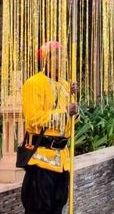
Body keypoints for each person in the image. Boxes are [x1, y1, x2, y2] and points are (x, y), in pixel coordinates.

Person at [21, 41, 79, 214]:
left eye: (64, 56)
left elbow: (70, 121)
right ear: (46, 59)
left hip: (62, 159)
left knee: (58, 206)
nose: (63, 59)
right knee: (39, 207)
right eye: (58, 55)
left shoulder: (64, 85)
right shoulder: (34, 83)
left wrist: (74, 111)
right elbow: (33, 118)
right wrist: (64, 112)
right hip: (42, 158)